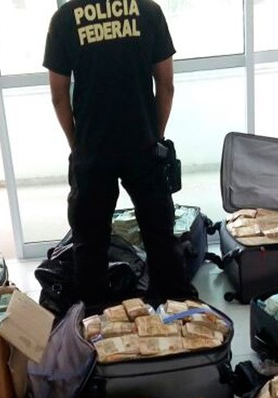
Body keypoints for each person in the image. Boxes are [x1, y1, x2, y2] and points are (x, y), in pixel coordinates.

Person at [43, 0, 194, 311]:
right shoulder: (148, 11)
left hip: (92, 147)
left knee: (90, 240)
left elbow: (58, 95)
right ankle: (175, 311)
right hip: (142, 143)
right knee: (159, 232)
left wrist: (77, 145)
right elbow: (166, 85)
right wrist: (154, 136)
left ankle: (95, 316)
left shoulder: (65, 18)